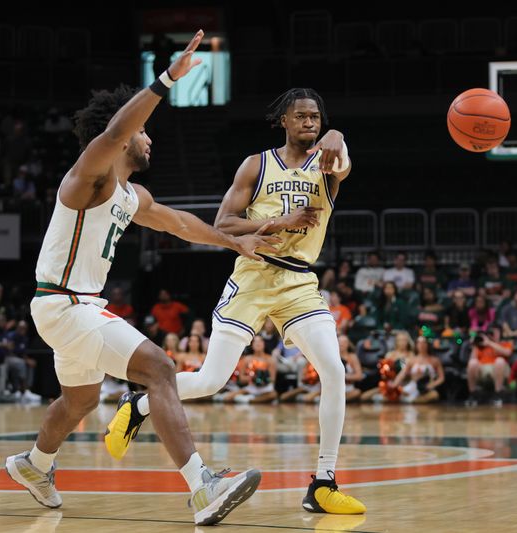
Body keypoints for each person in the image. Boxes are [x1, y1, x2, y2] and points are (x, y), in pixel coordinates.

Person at [5, 31, 274, 526]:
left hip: (77, 308)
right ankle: (203, 488)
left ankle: (34, 464)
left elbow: (180, 223)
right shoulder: (90, 174)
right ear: (126, 133)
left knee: (82, 398)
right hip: (64, 305)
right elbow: (112, 135)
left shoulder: (131, 195)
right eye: (143, 130)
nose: (149, 137)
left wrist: (235, 242)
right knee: (159, 367)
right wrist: (169, 77)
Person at [105, 86, 365, 514]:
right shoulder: (256, 165)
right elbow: (223, 222)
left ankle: (323, 483)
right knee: (211, 381)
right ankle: (140, 403)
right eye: (300, 116)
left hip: (299, 284)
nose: (309, 124)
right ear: (283, 120)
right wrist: (282, 220)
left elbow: (341, 159)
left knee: (334, 371)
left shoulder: (328, 165)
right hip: (253, 277)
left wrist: (337, 135)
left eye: (315, 118)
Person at [465, 324, 513, 407]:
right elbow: (471, 360)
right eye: (491, 332)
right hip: (482, 371)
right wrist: (475, 345)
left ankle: (498, 395)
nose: (492, 334)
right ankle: (473, 395)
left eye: (495, 332)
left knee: (499, 361)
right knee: (472, 362)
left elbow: (507, 353)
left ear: (500, 333)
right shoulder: (481, 345)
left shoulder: (505, 343)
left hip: (499, 371)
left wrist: (490, 343)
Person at [390, 336, 444, 404]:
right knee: (396, 392)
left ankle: (414, 400)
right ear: (416, 345)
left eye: (424, 343)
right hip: (413, 387)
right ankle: (412, 399)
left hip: (427, 388)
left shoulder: (435, 360)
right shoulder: (412, 360)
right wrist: (394, 384)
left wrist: (432, 384)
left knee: (434, 394)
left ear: (427, 344)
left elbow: (441, 378)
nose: (421, 345)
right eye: (419, 343)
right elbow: (402, 374)